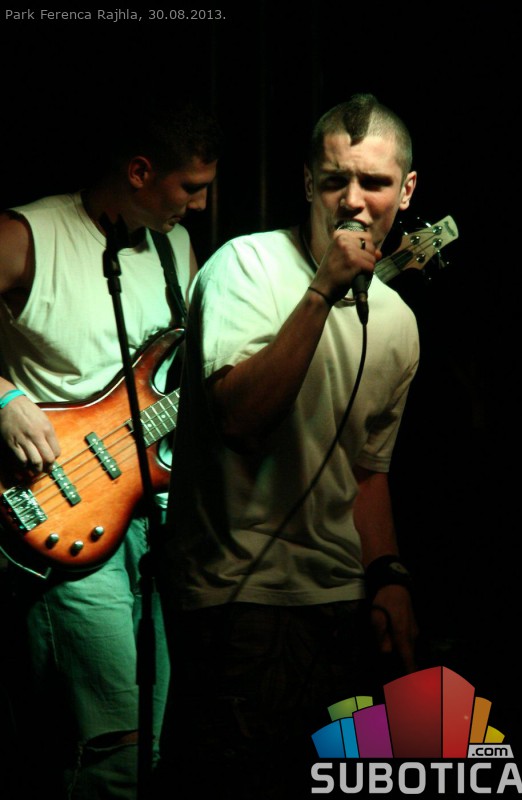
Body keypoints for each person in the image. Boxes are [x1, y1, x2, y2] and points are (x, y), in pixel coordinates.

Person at [156, 92, 420, 798]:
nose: (353, 201)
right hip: (237, 601)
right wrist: (320, 292)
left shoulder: (398, 322)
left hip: (339, 605)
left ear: (406, 191)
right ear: (307, 183)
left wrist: (389, 577)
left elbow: (366, 473)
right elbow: (242, 422)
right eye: (335, 180)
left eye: (374, 182)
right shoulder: (244, 267)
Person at [0, 96, 221, 799]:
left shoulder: (174, 249)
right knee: (113, 749)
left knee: (150, 743)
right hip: (61, 516)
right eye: (190, 187)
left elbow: (185, 372)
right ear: (139, 171)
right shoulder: (26, 234)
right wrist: (0, 397)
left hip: (154, 522)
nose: (201, 204)